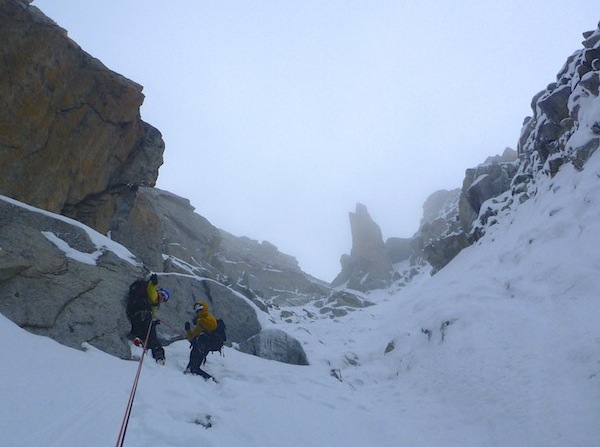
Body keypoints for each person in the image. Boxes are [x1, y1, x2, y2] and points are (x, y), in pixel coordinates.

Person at [126, 273, 171, 365]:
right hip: (138, 315)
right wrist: (153, 283)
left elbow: (152, 313)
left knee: (150, 331)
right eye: (162, 294)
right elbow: (151, 289)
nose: (162, 297)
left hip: (137, 316)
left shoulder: (154, 304)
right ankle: (158, 354)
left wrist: (154, 320)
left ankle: (141, 342)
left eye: (164, 298)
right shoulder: (154, 296)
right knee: (151, 333)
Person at [184, 300, 218, 380]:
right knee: (194, 366)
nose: (198, 312)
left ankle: (210, 380)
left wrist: (199, 321)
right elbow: (192, 336)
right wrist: (188, 330)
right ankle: (209, 380)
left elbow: (212, 326)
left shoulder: (209, 318)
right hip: (201, 346)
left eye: (200, 310)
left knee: (194, 365)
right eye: (197, 311)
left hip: (203, 346)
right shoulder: (200, 323)